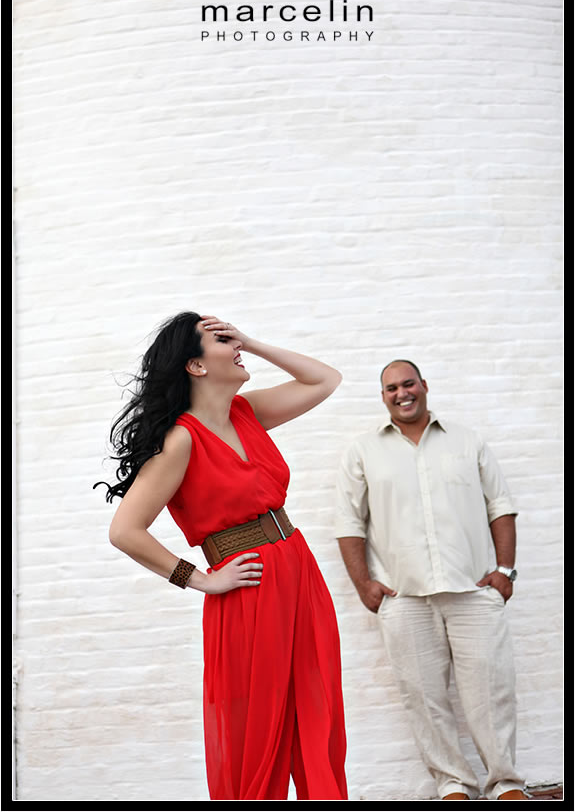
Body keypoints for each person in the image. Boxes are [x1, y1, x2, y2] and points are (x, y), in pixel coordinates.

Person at [95, 312, 348, 801]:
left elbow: (325, 380)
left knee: (318, 713)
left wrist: (251, 342)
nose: (234, 345)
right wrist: (200, 579)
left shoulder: (246, 413)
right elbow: (125, 531)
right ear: (195, 365)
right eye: (221, 340)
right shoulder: (181, 440)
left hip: (299, 571)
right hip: (249, 587)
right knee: (259, 727)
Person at [335, 359, 527, 801]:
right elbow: (349, 522)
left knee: (491, 692)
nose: (402, 393)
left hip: (473, 590)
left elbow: (501, 506)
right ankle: (453, 785)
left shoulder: (467, 441)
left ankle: (506, 784)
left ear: (424, 386)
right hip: (404, 597)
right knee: (423, 697)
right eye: (391, 388)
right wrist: (365, 585)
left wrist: (505, 571)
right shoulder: (362, 451)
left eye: (408, 384)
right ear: (382, 396)